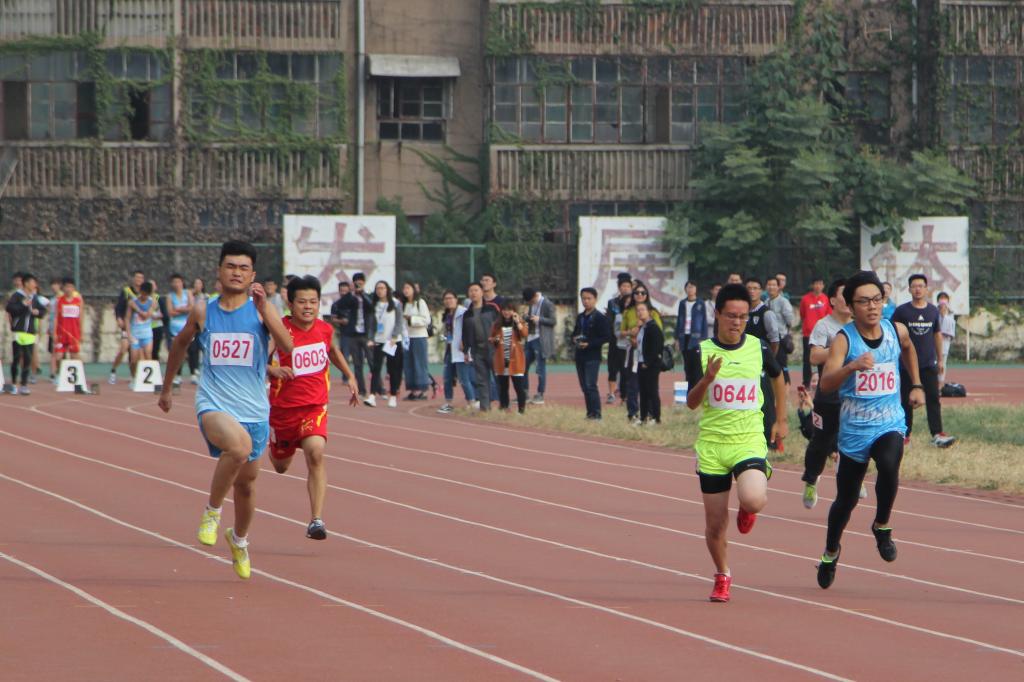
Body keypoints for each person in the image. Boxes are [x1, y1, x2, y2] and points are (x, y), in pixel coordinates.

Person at [159, 240, 293, 580]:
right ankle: (212, 512)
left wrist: (265, 309)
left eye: (243, 268)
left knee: (246, 486)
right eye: (231, 266)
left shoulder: (262, 310)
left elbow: (288, 345)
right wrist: (167, 388)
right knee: (238, 447)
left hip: (254, 410)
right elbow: (180, 344)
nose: (237, 272)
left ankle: (239, 539)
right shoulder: (203, 310)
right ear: (219, 271)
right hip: (214, 403)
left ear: (253, 275)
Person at [815, 270, 925, 589]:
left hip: (889, 422)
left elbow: (909, 348)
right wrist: (851, 366)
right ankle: (831, 551)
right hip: (854, 431)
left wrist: (917, 384)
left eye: (877, 299)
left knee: (889, 464)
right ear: (851, 307)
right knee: (846, 501)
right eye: (864, 301)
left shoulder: (895, 330)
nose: (872, 306)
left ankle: (881, 525)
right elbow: (826, 383)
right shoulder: (844, 339)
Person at [686, 283, 787, 603]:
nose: (737, 322)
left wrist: (781, 419)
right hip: (713, 445)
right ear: (717, 314)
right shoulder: (699, 352)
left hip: (748, 440)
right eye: (731, 316)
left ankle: (747, 507)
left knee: (754, 499)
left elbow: (778, 377)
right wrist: (707, 379)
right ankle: (723, 574)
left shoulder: (758, 347)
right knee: (716, 526)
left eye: (743, 317)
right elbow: (691, 403)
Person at [267, 275, 358, 540]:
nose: (308, 307)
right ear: (290, 304)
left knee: (316, 453)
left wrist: (350, 376)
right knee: (281, 466)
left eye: (313, 302)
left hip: (314, 407)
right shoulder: (279, 329)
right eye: (302, 302)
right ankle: (276, 445)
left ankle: (316, 520)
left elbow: (333, 351)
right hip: (283, 411)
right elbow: (258, 359)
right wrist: (273, 370)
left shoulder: (324, 329)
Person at [800, 279, 851, 509]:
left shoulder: (860, 325)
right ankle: (811, 480)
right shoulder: (824, 326)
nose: (849, 299)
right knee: (820, 443)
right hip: (828, 396)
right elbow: (814, 356)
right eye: (844, 294)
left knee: (854, 440)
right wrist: (841, 349)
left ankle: (854, 478)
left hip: (854, 394)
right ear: (832, 300)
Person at [892, 274, 956, 448]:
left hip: (928, 364)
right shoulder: (902, 311)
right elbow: (893, 334)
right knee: (906, 400)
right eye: (914, 286)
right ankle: (905, 435)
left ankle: (937, 434)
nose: (918, 289)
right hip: (907, 365)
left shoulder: (933, 311)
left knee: (933, 398)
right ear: (909, 289)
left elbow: (937, 335)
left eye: (921, 286)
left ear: (927, 289)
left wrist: (940, 359)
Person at [745, 278, 784, 449]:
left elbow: (774, 339)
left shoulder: (766, 313)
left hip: (761, 367)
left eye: (755, 288)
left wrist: (768, 360)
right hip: (746, 367)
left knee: (766, 404)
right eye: (749, 288)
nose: (752, 291)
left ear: (761, 291)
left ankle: (771, 440)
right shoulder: (743, 313)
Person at [621, 283, 662, 424]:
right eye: (636, 293)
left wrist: (648, 362)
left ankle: (654, 416)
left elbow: (657, 340)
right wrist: (631, 334)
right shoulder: (629, 313)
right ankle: (639, 415)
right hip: (636, 356)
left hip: (649, 360)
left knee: (651, 389)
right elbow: (621, 332)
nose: (639, 295)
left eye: (642, 293)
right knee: (637, 387)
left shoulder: (653, 319)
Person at [331, 273, 374, 405]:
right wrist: (352, 293)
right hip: (353, 334)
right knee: (357, 363)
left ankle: (377, 388)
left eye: (360, 282)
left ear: (364, 283)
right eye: (356, 282)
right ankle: (362, 390)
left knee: (372, 362)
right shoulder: (350, 297)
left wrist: (362, 294)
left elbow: (371, 307)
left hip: (366, 334)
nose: (358, 284)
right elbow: (340, 304)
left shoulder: (368, 296)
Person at [572, 287, 612, 420]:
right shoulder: (580, 317)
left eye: (589, 298)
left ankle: (597, 414)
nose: (586, 301)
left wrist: (589, 344)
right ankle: (590, 413)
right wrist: (574, 339)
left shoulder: (600, 318)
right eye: (583, 298)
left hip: (592, 356)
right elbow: (574, 333)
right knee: (584, 386)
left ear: (595, 299)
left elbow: (606, 337)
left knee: (591, 385)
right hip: (580, 355)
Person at [5, 274, 47, 395]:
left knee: (28, 359)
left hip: (30, 332)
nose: (35, 285)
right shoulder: (17, 295)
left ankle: (23, 385)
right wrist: (23, 305)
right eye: (33, 282)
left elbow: (43, 311)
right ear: (26, 283)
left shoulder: (35, 297)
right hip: (18, 332)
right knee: (16, 358)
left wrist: (38, 312)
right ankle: (13, 384)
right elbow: (9, 308)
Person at [437, 289, 477, 413]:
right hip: (450, 350)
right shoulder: (447, 315)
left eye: (450, 298)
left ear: (456, 299)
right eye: (446, 299)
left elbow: (469, 329)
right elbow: (449, 332)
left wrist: (465, 343)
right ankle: (448, 403)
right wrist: (445, 337)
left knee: (464, 379)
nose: (448, 301)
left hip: (461, 351)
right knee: (447, 378)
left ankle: (472, 403)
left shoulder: (463, 312)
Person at [462, 281, 498, 410]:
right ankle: (485, 407)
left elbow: (500, 325)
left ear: (482, 292)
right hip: (477, 350)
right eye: (471, 291)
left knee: (499, 377)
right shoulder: (467, 314)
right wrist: (466, 351)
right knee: (482, 380)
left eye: (476, 290)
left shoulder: (491, 309)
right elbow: (465, 334)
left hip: (493, 349)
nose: (473, 293)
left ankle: (503, 405)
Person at [368, 280, 404, 408]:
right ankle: (372, 396)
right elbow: (372, 324)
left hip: (392, 341)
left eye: (382, 288)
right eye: (378, 288)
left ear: (387, 289)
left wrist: (394, 336)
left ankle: (393, 396)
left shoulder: (396, 303)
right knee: (376, 369)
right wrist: (371, 338)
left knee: (392, 369)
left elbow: (399, 321)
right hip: (379, 340)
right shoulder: (374, 305)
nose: (380, 290)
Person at [490, 300, 529, 413]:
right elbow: (492, 338)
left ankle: (521, 410)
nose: (506, 312)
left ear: (514, 311)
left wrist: (518, 322)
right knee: (503, 387)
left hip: (516, 359)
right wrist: (495, 340)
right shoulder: (497, 324)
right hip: (501, 360)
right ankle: (504, 407)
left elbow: (524, 334)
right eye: (504, 310)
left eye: (509, 310)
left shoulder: (519, 322)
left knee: (519, 387)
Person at [523, 286, 556, 405]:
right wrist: (526, 317)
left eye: (531, 301)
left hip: (540, 339)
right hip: (530, 338)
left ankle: (540, 394)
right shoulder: (531, 304)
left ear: (535, 296)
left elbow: (553, 321)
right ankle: (524, 393)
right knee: (523, 366)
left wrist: (539, 319)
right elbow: (531, 319)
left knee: (540, 368)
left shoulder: (547, 304)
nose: (530, 304)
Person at [110, 270, 144, 384]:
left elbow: (155, 301)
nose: (139, 280)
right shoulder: (126, 291)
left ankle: (134, 376)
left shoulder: (145, 293)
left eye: (141, 278)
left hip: (139, 328)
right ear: (133, 279)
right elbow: (119, 306)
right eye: (137, 277)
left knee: (136, 354)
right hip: (127, 326)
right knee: (123, 349)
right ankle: (113, 371)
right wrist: (119, 318)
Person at [400, 281, 431, 400]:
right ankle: (412, 390)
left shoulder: (420, 302)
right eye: (404, 288)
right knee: (408, 364)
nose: (406, 290)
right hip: (407, 337)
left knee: (419, 363)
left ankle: (422, 390)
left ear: (413, 289)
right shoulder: (403, 304)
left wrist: (411, 319)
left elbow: (427, 320)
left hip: (419, 336)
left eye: (408, 287)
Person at [605, 273, 633, 405]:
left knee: (625, 369)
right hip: (614, 340)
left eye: (628, 286)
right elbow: (609, 320)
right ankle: (611, 393)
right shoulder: (613, 303)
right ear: (619, 287)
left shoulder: (635, 304)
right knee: (612, 367)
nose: (625, 288)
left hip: (629, 342)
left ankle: (625, 395)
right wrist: (617, 333)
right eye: (623, 286)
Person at [635, 300, 664, 425]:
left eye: (642, 310)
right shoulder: (643, 327)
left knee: (652, 391)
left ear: (649, 312)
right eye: (638, 310)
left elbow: (657, 347)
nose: (640, 312)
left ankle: (656, 418)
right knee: (643, 392)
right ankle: (643, 417)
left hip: (651, 365)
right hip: (641, 362)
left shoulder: (653, 327)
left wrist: (648, 362)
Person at [799, 276, 831, 389]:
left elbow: (828, 315)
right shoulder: (805, 299)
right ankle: (806, 383)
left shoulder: (826, 299)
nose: (818, 286)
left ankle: (822, 381)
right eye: (816, 283)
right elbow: (802, 314)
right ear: (812, 285)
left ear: (823, 286)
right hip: (808, 334)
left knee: (822, 359)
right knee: (807, 360)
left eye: (820, 283)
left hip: (822, 335)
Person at [675, 281, 707, 388]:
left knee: (696, 363)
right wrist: (677, 338)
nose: (690, 289)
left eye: (692, 287)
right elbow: (679, 320)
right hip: (684, 336)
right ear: (685, 289)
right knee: (687, 364)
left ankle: (697, 386)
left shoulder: (700, 303)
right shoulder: (682, 303)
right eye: (688, 287)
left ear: (696, 289)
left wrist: (703, 338)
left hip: (696, 337)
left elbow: (704, 321)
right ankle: (689, 387)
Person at [766, 276, 795, 385]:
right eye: (769, 285)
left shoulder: (783, 302)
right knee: (771, 367)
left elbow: (789, 320)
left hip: (781, 339)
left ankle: (786, 392)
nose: (771, 287)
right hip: (769, 340)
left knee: (782, 367)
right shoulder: (766, 302)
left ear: (778, 287)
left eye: (774, 285)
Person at [167, 274, 194, 387]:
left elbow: (192, 307)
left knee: (190, 351)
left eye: (178, 282)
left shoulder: (188, 293)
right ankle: (177, 375)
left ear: (182, 282)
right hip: (175, 327)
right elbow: (170, 312)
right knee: (177, 352)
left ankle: (193, 373)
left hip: (187, 326)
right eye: (174, 282)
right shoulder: (170, 296)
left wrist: (179, 309)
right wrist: (184, 309)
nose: (177, 284)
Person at [53, 277, 84, 367]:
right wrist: (54, 332)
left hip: (74, 333)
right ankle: (59, 372)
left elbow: (81, 318)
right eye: (66, 287)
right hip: (61, 332)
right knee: (58, 356)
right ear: (63, 288)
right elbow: (56, 317)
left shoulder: (78, 301)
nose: (68, 289)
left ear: (73, 288)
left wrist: (81, 333)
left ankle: (80, 372)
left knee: (74, 355)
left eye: (70, 287)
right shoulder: (59, 300)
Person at [127, 281, 158, 370]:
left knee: (148, 355)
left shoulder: (152, 302)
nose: (144, 296)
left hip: (147, 334)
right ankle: (134, 376)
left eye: (146, 294)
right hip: (135, 334)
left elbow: (146, 316)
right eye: (143, 293)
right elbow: (127, 318)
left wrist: (136, 308)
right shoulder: (132, 302)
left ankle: (148, 376)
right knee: (134, 359)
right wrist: (129, 334)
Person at [186, 278, 207, 385]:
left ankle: (203, 371)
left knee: (204, 348)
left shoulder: (206, 297)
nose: (197, 285)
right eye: (195, 283)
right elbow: (189, 308)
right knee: (192, 349)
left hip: (203, 326)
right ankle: (193, 372)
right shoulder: (189, 296)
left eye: (199, 283)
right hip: (192, 326)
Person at [937, 292, 955, 386]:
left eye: (945, 298)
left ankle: (941, 382)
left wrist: (944, 315)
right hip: (934, 341)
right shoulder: (934, 311)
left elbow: (951, 327)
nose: (943, 300)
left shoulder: (951, 313)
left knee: (943, 362)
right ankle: (934, 381)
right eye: (941, 298)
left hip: (945, 341)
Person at [150, 280, 169, 362]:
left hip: (157, 327)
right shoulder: (142, 298)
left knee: (155, 349)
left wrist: (157, 316)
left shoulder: (159, 298)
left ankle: (154, 365)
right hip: (145, 327)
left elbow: (165, 314)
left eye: (153, 285)